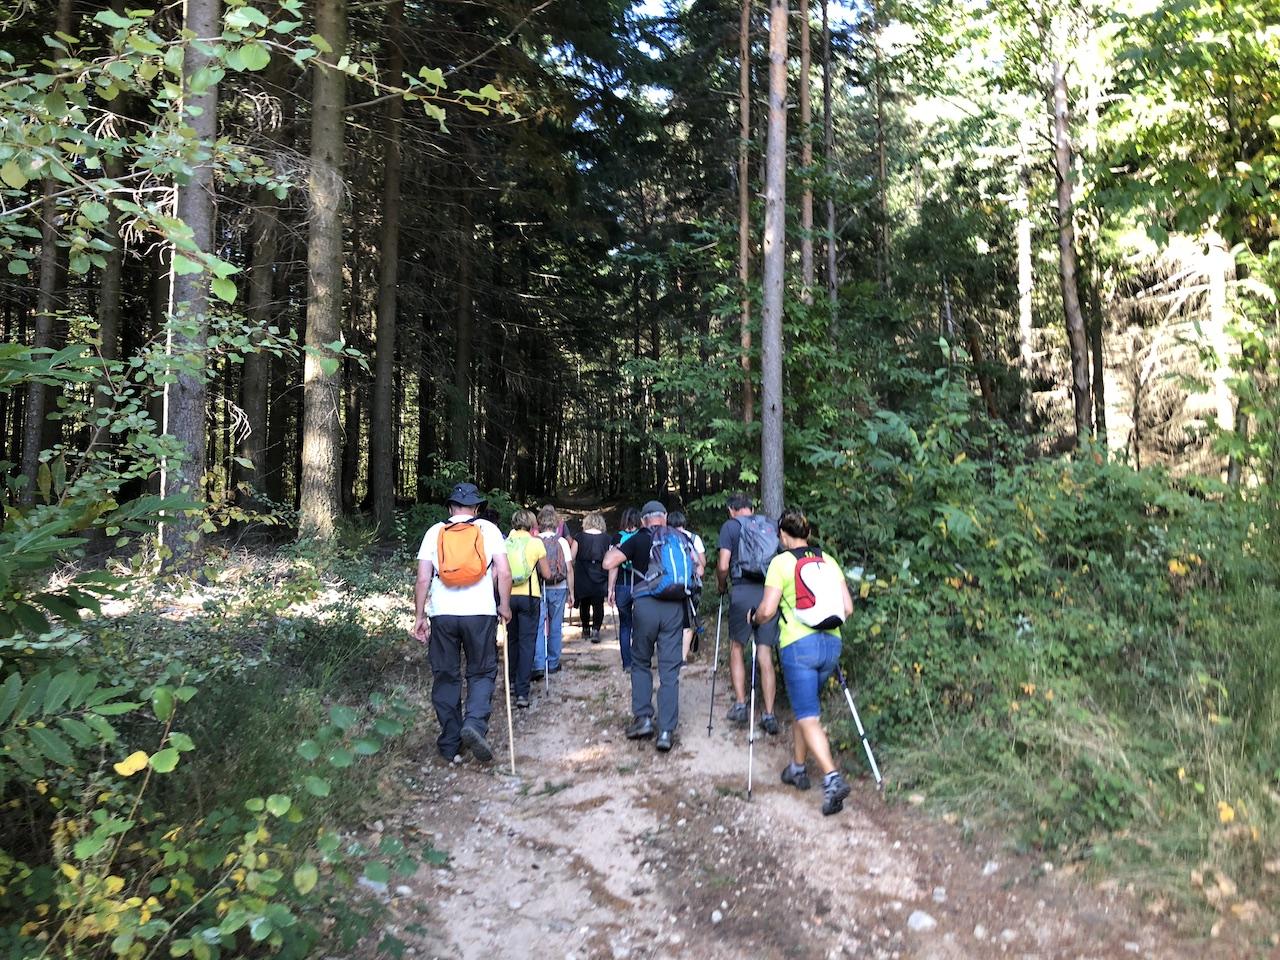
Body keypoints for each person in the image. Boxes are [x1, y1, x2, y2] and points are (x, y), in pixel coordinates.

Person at [749, 507, 855, 815]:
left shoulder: (781, 563)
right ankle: (797, 767)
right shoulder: (828, 560)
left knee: (808, 715)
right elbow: (847, 607)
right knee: (803, 706)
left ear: (783, 536)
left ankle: (832, 778)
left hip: (799, 646)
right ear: (807, 534)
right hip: (831, 645)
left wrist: (754, 617)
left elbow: (767, 610)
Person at [413, 482, 512, 763]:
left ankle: (450, 742)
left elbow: (423, 579)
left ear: (450, 507)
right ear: (477, 508)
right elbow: (504, 573)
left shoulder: (434, 532)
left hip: (443, 613)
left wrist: (420, 616)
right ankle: (475, 725)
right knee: (481, 672)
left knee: (446, 675)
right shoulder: (489, 530)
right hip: (480, 611)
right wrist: (504, 606)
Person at [603, 500, 695, 752]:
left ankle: (643, 718)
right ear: (664, 517)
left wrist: (622, 547)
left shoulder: (639, 538)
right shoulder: (680, 537)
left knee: (641, 661)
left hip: (645, 607)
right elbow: (698, 568)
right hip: (675, 608)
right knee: (669, 670)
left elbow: (608, 562)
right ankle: (665, 731)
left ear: (644, 520)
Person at [716, 493, 781, 734]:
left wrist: (721, 585)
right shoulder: (770, 525)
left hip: (742, 591)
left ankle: (742, 704)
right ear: (751, 508)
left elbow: (723, 565)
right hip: (768, 593)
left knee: (737, 646)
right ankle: (769, 714)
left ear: (731, 510)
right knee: (765, 652)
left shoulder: (730, 527)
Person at [506, 509, 551, 708]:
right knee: (527, 643)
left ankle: (512, 683)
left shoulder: (505, 543)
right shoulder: (536, 543)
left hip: (508, 596)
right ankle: (522, 693)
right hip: (530, 596)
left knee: (512, 640)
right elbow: (547, 574)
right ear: (531, 524)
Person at [533, 505, 574, 679]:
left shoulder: (534, 541)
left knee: (540, 626)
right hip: (559, 587)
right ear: (556, 523)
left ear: (540, 523)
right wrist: (572, 592)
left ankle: (539, 663)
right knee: (556, 625)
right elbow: (569, 569)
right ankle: (553, 662)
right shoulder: (562, 541)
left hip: (539, 587)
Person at [666, 509, 706, 662]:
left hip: (668, 586)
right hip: (690, 587)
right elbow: (702, 566)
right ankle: (682, 658)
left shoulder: (664, 538)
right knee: (687, 622)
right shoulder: (693, 538)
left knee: (671, 621)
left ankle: (672, 653)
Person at [607, 506, 641, 671]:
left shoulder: (617, 538)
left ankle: (627, 663)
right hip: (641, 586)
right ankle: (640, 659)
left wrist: (610, 589)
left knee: (625, 625)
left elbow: (613, 566)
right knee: (640, 624)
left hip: (622, 585)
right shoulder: (644, 537)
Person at [575, 511, 610, 642]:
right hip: (600, 572)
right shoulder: (607, 538)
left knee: (584, 603)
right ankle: (596, 629)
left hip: (583, 572)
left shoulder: (579, 537)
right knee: (598, 603)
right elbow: (609, 556)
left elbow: (572, 556)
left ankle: (585, 628)